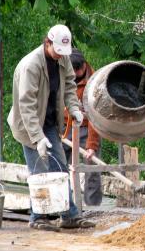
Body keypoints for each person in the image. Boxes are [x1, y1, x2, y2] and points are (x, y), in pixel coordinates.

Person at [8, 24, 95, 231]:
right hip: (28, 124)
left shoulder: (63, 58)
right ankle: (37, 217)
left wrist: (74, 109)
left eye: (63, 52)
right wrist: (37, 138)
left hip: (48, 122)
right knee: (39, 171)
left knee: (60, 168)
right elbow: (26, 105)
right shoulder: (32, 65)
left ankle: (69, 216)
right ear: (47, 43)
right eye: (56, 51)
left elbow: (70, 86)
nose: (60, 56)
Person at [62, 48, 103, 206]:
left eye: (78, 70)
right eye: (73, 71)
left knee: (92, 169)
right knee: (58, 165)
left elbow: (95, 117)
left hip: (87, 128)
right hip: (65, 129)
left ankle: (94, 207)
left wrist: (91, 145)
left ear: (84, 65)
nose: (76, 73)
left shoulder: (95, 84)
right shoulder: (62, 76)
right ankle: (64, 205)